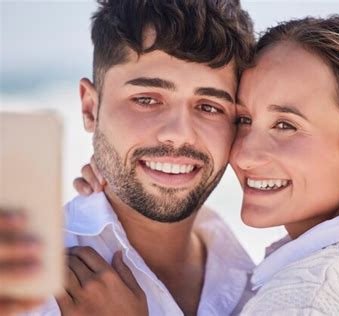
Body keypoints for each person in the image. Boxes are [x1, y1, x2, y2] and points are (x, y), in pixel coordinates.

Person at [75, 15, 339, 315]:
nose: (245, 154)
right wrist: (144, 190)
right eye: (245, 120)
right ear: (91, 107)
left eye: (286, 125)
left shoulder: (307, 299)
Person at [0, 0, 255, 315]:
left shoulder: (261, 282)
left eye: (208, 106)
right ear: (90, 108)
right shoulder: (23, 282)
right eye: (146, 99)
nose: (179, 134)